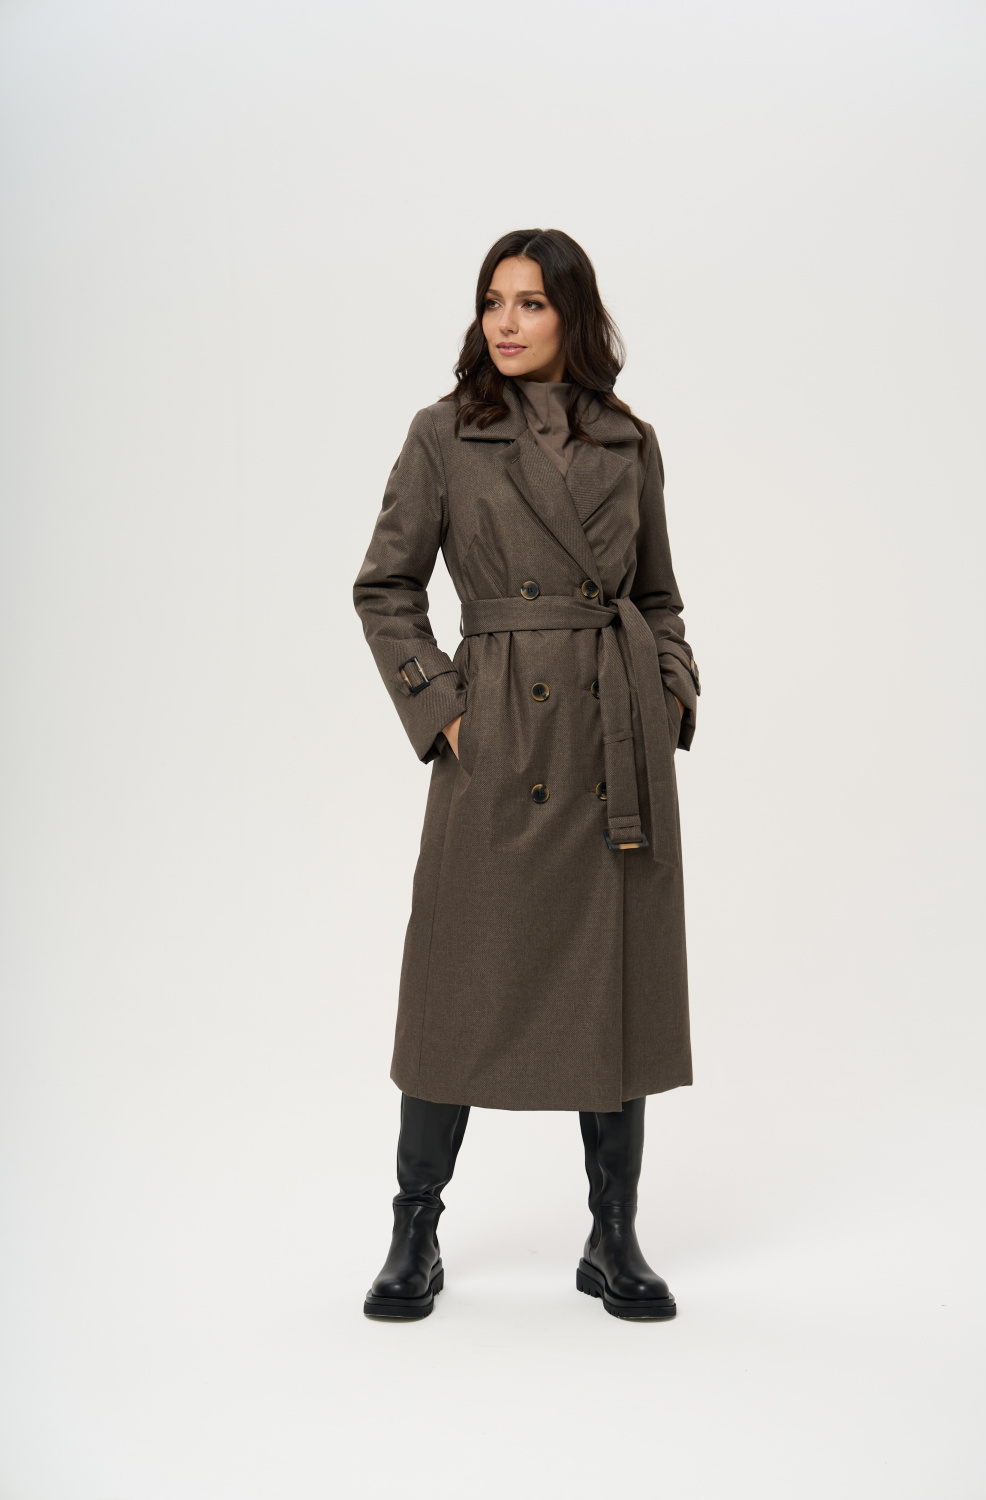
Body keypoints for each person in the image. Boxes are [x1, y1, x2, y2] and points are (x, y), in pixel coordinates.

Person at [354, 228, 700, 1322]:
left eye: (531, 303)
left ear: (572, 316)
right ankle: (415, 1230)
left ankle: (613, 1235)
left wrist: (670, 694)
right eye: (493, 301)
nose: (505, 322)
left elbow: (657, 595)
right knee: (454, 980)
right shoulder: (444, 433)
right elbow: (385, 587)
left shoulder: (629, 441)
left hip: (611, 743)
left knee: (615, 986)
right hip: (501, 736)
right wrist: (451, 716)